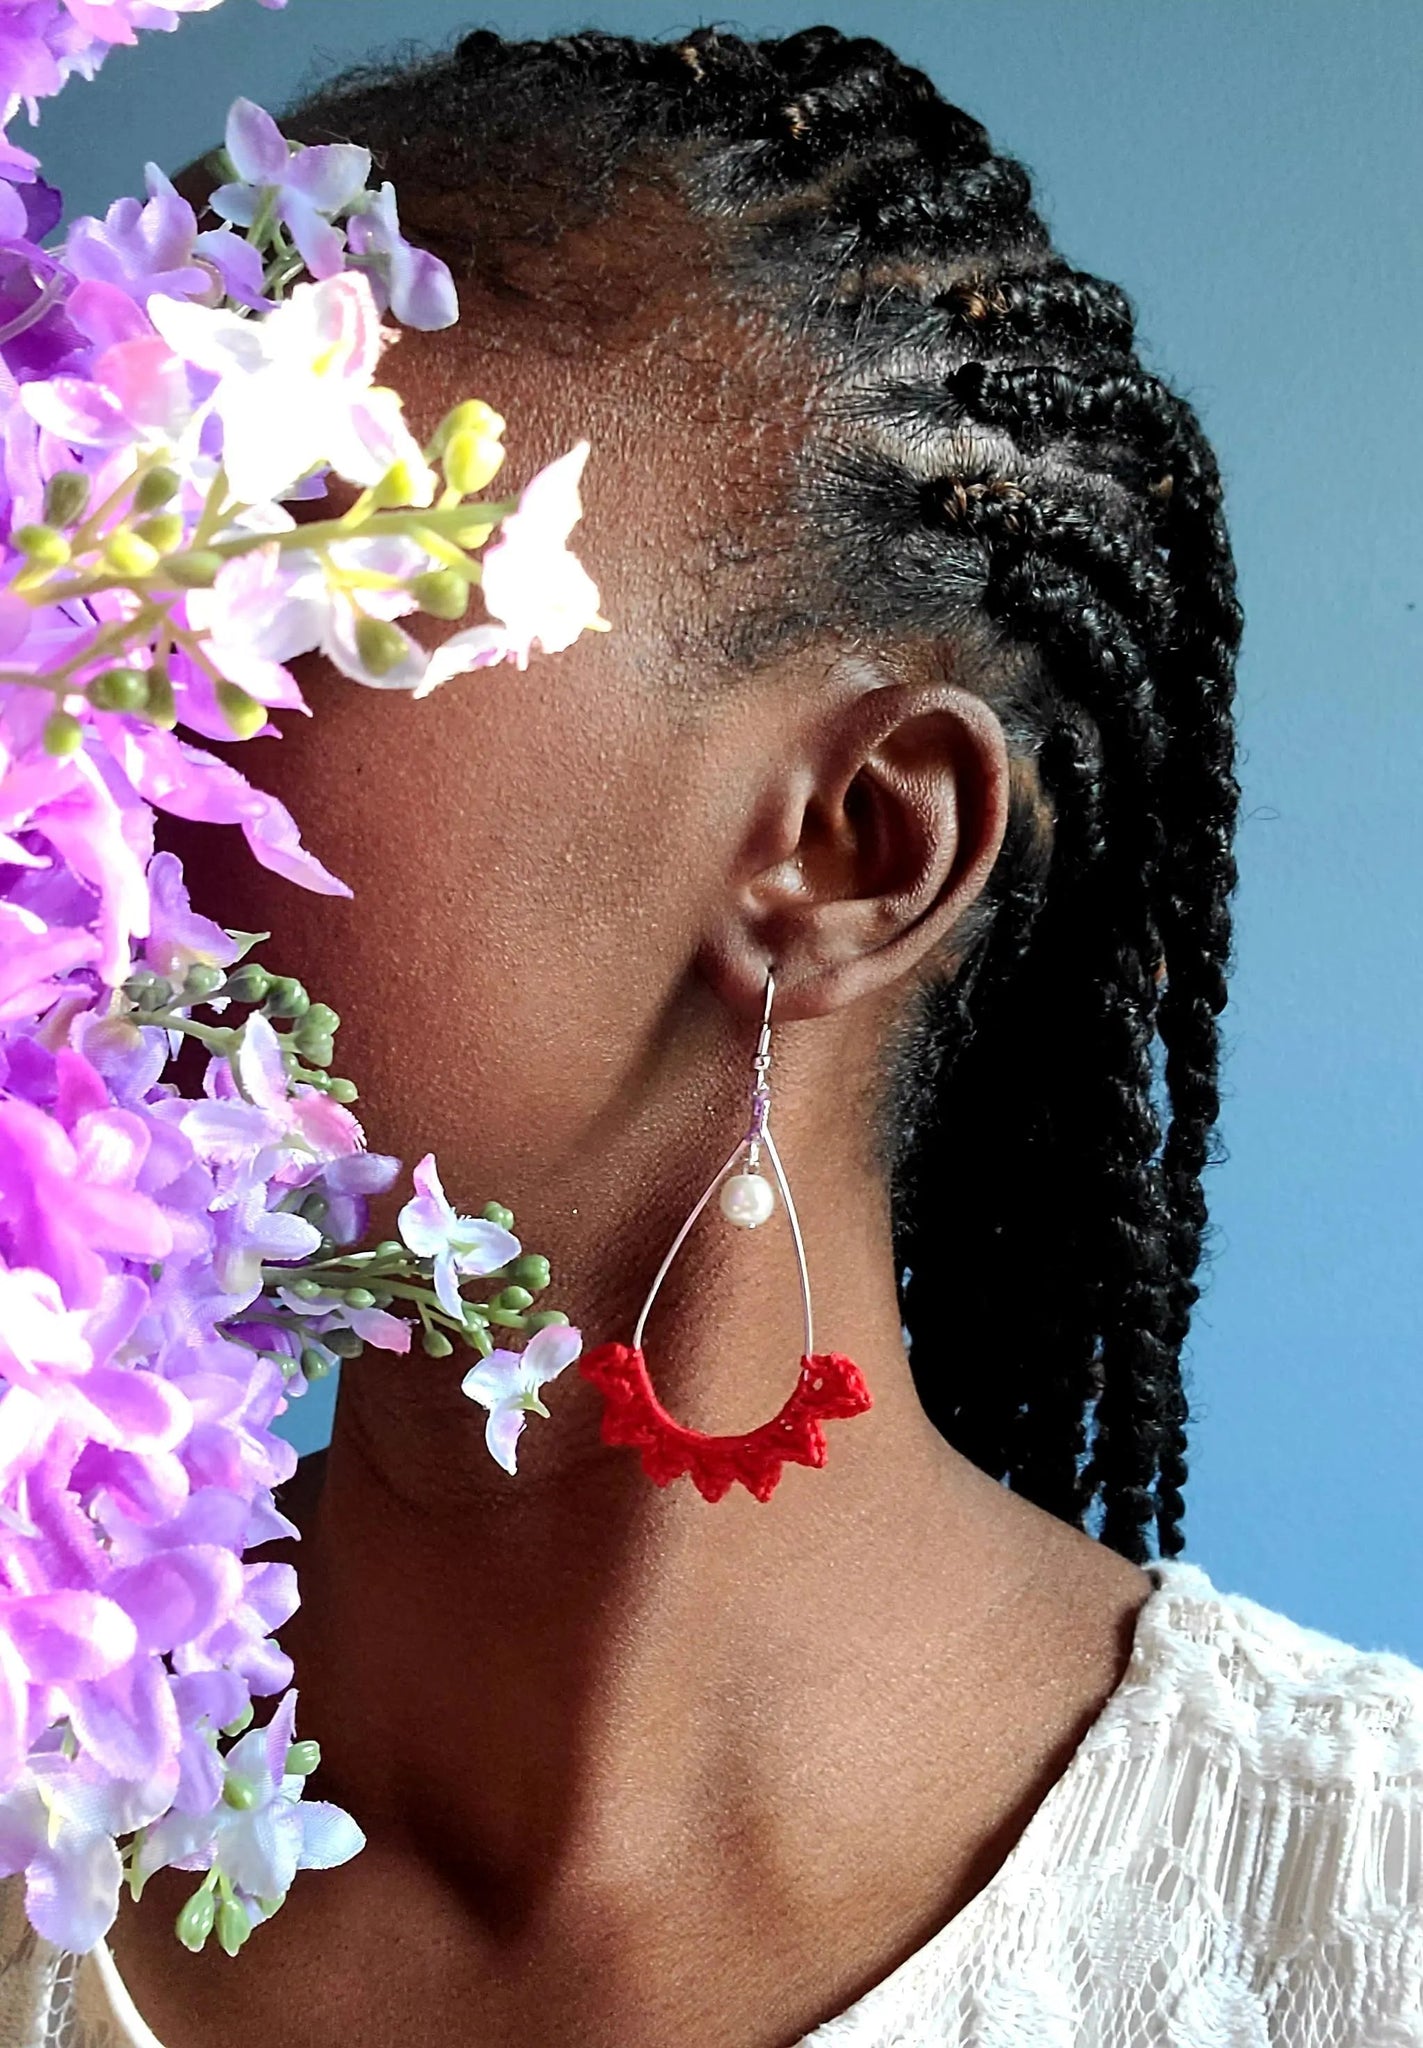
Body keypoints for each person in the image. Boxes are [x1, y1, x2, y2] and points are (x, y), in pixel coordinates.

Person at [2, 23, 1418, 2047]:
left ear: (856, 849)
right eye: (52, 555)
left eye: (258, 578)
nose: (58, 705)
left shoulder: (1367, 1929)